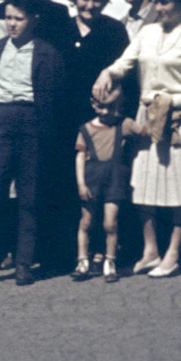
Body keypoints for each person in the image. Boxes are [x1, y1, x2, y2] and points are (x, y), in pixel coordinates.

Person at [95, 0, 181, 280]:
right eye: (157, 1)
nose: (158, 8)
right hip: (147, 117)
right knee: (143, 187)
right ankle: (150, 250)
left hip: (179, 120)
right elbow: (124, 63)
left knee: (179, 190)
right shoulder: (147, 33)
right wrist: (107, 73)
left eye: (165, 3)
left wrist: (170, 102)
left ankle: (173, 253)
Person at [0, 0, 66, 287]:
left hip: (32, 121)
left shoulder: (47, 52)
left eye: (18, 19)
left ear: (33, 20)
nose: (12, 24)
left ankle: (24, 264)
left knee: (29, 196)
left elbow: (52, 97)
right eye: (8, 18)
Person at [74, 86, 132, 284]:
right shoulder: (86, 129)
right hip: (91, 181)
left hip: (115, 180)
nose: (107, 112)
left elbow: (145, 130)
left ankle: (110, 261)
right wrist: (81, 184)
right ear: (94, 104)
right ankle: (82, 261)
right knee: (86, 221)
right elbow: (80, 157)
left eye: (112, 107)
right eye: (103, 107)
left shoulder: (122, 125)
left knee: (110, 223)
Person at [65, 0, 129, 129]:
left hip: (101, 111)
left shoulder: (115, 30)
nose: (90, 5)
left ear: (105, 2)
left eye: (96, 0)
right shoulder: (62, 28)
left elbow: (125, 70)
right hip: (66, 110)